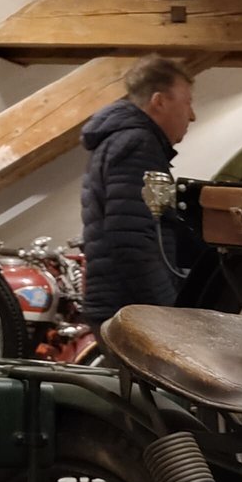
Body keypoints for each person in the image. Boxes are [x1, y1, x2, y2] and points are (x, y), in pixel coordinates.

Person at [78, 55, 198, 327]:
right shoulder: (138, 144)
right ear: (159, 101)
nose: (192, 115)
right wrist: (168, 313)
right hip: (129, 312)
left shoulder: (123, 141)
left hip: (121, 306)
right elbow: (131, 240)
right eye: (187, 102)